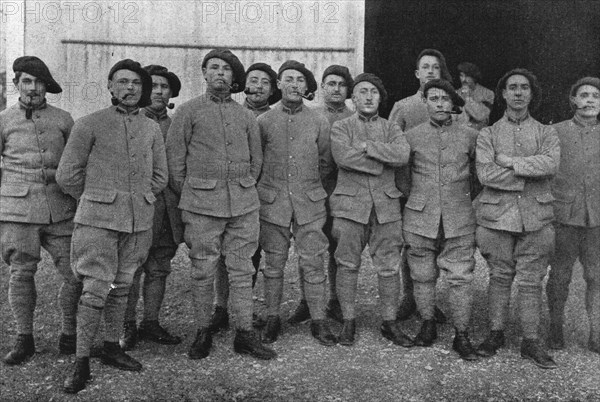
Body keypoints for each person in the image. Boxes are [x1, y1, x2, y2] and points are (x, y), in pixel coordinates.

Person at [58, 59, 168, 393]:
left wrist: (137, 200)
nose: (130, 88)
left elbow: (160, 177)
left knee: (122, 286)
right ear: (109, 86)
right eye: (122, 81)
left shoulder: (150, 128)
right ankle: (81, 362)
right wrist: (96, 199)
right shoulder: (89, 124)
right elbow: (67, 175)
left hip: (138, 222)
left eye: (136, 82)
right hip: (98, 222)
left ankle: (111, 346)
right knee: (94, 288)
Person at [166, 49, 276, 360]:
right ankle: (203, 330)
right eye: (214, 67)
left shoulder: (244, 116)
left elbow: (256, 161)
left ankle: (244, 332)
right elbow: (175, 165)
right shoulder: (188, 112)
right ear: (203, 73)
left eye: (226, 69)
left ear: (233, 77)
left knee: (241, 269)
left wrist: (243, 186)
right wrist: (195, 192)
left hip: (242, 205)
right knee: (203, 269)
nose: (220, 74)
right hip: (201, 205)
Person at [475, 68, 560, 369]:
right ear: (503, 94)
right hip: (497, 217)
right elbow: (485, 173)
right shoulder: (488, 134)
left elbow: (550, 164)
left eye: (525, 88)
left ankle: (530, 341)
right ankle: (495, 334)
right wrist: (529, 173)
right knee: (499, 276)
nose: (519, 93)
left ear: (532, 94)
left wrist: (511, 163)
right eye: (512, 88)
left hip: (536, 216)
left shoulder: (547, 132)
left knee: (531, 280)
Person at [1, 56, 79, 365]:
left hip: (60, 209)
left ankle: (69, 333)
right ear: (17, 83)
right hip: (18, 211)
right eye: (27, 82)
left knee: (76, 273)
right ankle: (24, 338)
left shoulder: (63, 119)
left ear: (47, 86)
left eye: (39, 83)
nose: (33, 88)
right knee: (21, 273)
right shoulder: (4, 120)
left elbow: (76, 163)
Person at [257, 60, 337, 346]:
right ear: (278, 84)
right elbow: (257, 162)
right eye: (288, 79)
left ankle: (318, 320)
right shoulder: (264, 121)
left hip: (310, 202)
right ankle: (272, 318)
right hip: (273, 202)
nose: (294, 84)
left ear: (307, 87)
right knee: (274, 264)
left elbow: (326, 162)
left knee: (313, 261)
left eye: (300, 80)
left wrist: (308, 185)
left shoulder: (319, 121)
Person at [330, 73, 413, 347]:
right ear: (353, 97)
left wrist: (368, 147)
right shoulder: (341, 127)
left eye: (374, 92)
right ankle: (348, 321)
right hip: (349, 207)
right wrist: (380, 162)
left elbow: (402, 155)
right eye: (362, 91)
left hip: (386, 208)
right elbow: (343, 157)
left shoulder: (392, 128)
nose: (368, 97)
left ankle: (389, 322)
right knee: (347, 264)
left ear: (380, 98)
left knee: (389, 267)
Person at [401, 79, 479, 360]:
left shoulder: (470, 135)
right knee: (422, 274)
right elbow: (403, 178)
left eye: (445, 99)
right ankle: (427, 324)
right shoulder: (410, 136)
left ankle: (462, 334)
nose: (440, 104)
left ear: (453, 103)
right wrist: (420, 199)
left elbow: (478, 177)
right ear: (425, 102)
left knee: (461, 276)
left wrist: (461, 199)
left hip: (459, 214)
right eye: (434, 98)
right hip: (420, 215)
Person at [209, 62, 281, 333]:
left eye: (265, 82)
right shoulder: (231, 115)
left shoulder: (276, 119)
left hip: (267, 199)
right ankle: (220, 308)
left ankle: (245, 311)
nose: (259, 86)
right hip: (235, 197)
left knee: (254, 256)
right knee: (227, 255)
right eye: (254, 80)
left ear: (273, 89)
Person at [121, 65, 183, 350]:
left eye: (164, 87)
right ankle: (126, 324)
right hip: (137, 208)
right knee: (130, 269)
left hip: (169, 209)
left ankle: (151, 322)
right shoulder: (129, 123)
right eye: (154, 86)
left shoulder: (177, 124)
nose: (159, 91)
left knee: (159, 267)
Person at [389, 48, 454, 322]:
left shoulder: (450, 106)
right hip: (411, 190)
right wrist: (404, 191)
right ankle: (409, 297)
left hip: (440, 192)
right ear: (417, 73)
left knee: (436, 244)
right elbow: (392, 147)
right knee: (411, 247)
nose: (430, 71)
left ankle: (428, 298)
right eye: (425, 67)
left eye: (435, 68)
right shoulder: (403, 107)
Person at [287, 64, 354, 325]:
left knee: (338, 250)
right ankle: (308, 301)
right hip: (311, 195)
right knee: (309, 249)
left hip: (343, 195)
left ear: (347, 90)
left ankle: (336, 301)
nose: (336, 88)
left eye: (341, 84)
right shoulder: (309, 116)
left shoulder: (354, 119)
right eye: (330, 83)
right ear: (322, 88)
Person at [546, 76, 600, 354]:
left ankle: (597, 335)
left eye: (595, 96)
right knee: (560, 276)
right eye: (584, 95)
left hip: (598, 221)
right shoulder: (554, 132)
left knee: (596, 276)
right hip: (564, 217)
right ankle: (555, 330)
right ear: (573, 101)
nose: (590, 100)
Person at [456, 62, 495, 130]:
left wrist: (467, 97)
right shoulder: (455, 93)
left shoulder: (487, 93)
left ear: (474, 77)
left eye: (467, 76)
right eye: (461, 75)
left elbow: (480, 116)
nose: (464, 79)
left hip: (479, 134)